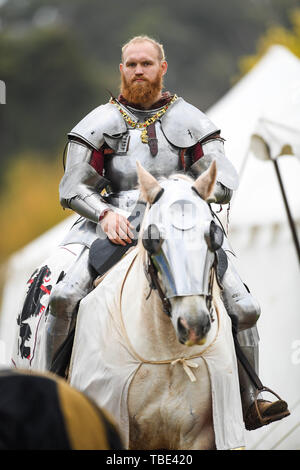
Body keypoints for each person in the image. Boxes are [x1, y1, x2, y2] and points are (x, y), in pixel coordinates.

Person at [20, 35, 289, 431]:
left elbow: (224, 177)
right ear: (122, 70)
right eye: (131, 64)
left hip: (183, 223)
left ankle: (253, 396)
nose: (138, 71)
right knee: (64, 296)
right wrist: (104, 212)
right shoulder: (99, 124)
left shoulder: (192, 121)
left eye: (146, 63)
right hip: (116, 223)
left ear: (162, 68)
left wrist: (202, 189)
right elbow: (72, 187)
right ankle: (54, 394)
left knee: (244, 307)